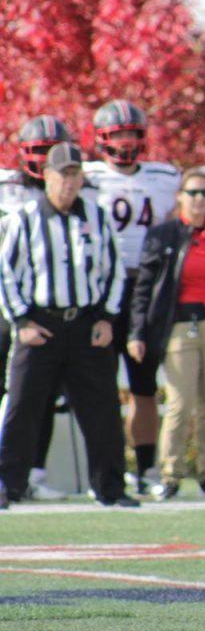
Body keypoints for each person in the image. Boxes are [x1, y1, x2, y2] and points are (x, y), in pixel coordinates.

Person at [0, 142, 136, 509]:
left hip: (85, 323)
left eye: (75, 174)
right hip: (40, 324)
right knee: (22, 406)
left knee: (102, 408)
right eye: (63, 174)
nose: (69, 182)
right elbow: (5, 272)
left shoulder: (97, 216)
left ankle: (110, 487)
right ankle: (7, 484)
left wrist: (107, 318)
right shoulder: (25, 218)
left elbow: (114, 271)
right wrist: (22, 321)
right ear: (46, 176)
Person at [83, 100, 180, 494]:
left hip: (145, 287)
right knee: (100, 386)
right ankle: (106, 470)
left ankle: (146, 469)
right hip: (103, 287)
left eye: (131, 134)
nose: (125, 142)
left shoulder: (163, 176)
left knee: (144, 385)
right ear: (102, 139)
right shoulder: (88, 177)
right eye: (117, 134)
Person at [128, 169, 205, 500]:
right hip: (180, 326)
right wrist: (137, 332)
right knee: (179, 403)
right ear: (180, 196)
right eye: (193, 193)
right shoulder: (163, 235)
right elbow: (144, 288)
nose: (199, 199)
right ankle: (170, 473)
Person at [0, 115, 71, 501]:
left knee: (40, 392)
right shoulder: (6, 186)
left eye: (52, 154)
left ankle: (35, 472)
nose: (45, 162)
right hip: (4, 301)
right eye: (38, 153)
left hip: (43, 305)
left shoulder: (77, 190)